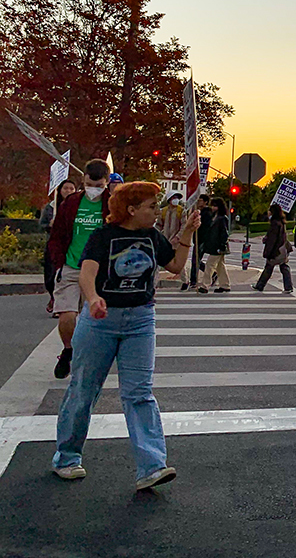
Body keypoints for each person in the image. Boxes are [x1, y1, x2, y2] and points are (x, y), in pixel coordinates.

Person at [52, 181, 199, 489]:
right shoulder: (104, 236)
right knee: (83, 390)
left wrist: (187, 232)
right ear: (132, 210)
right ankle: (67, 457)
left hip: (141, 319)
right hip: (100, 321)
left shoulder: (151, 237)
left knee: (140, 393)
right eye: (151, 206)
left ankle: (151, 466)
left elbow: (174, 265)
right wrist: (92, 298)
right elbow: (87, 273)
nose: (156, 211)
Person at [46, 160, 111, 380]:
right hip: (71, 265)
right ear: (83, 179)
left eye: (99, 185)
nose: (94, 189)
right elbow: (56, 236)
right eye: (90, 184)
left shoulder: (112, 204)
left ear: (107, 182)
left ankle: (90, 356)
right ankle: (68, 350)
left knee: (94, 317)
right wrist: (58, 262)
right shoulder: (72, 203)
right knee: (66, 315)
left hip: (98, 270)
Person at [41, 179, 77, 305]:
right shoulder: (51, 207)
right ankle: (53, 296)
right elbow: (42, 224)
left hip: (71, 245)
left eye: (71, 188)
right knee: (50, 274)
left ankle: (61, 302)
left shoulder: (77, 207)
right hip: (54, 245)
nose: (68, 191)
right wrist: (50, 225)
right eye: (65, 188)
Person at [253, 203, 293, 292]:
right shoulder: (281, 223)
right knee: (283, 267)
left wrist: (267, 252)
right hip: (282, 249)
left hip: (276, 250)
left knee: (269, 267)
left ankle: (260, 285)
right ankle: (288, 287)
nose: (268, 212)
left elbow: (272, 240)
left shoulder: (274, 224)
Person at [197, 198, 230, 293]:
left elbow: (224, 233)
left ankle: (205, 285)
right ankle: (225, 285)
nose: (213, 207)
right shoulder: (214, 217)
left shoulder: (222, 218)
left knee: (209, 265)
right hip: (214, 245)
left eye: (215, 206)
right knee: (220, 266)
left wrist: (221, 245)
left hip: (218, 246)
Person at [156, 193, 187, 283]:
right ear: (169, 200)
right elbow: (159, 225)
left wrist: (178, 237)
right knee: (159, 260)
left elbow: (183, 226)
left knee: (179, 261)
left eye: (177, 198)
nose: (176, 199)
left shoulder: (181, 211)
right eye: (174, 198)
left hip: (177, 241)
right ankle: (155, 281)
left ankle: (185, 281)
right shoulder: (163, 211)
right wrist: (158, 236)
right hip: (165, 239)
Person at [185, 194, 212, 291]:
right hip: (198, 239)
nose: (199, 202)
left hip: (202, 239)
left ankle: (193, 281)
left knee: (195, 260)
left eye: (200, 200)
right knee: (197, 260)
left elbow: (205, 227)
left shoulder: (206, 213)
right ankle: (212, 274)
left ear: (205, 202)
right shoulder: (198, 212)